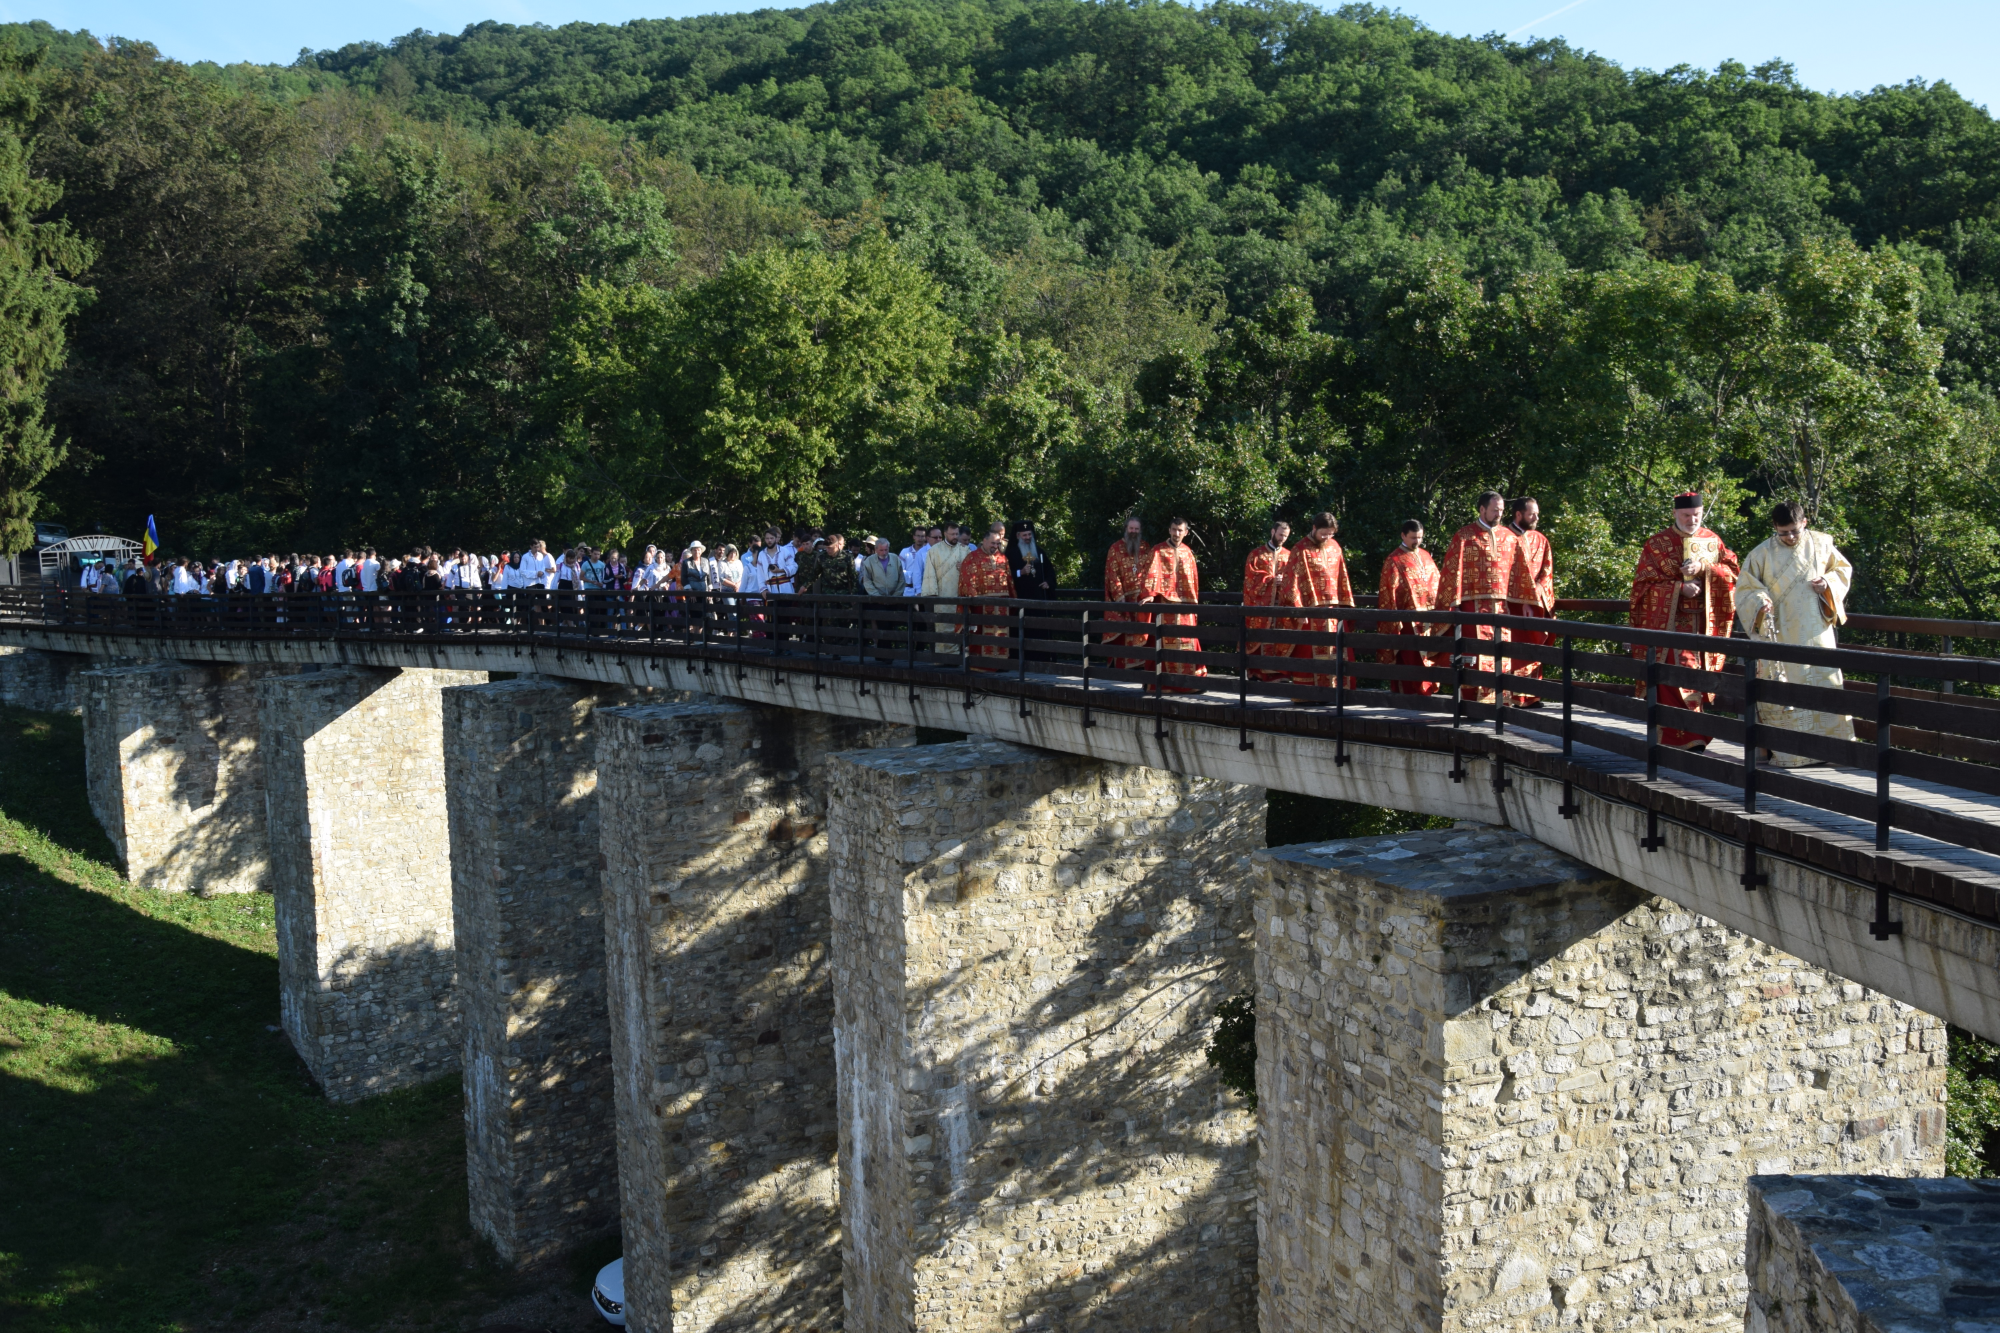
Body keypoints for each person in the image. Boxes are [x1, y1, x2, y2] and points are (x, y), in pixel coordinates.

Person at [1733, 502, 1855, 766]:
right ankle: (1793, 755)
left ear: (1805, 523)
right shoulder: (1760, 553)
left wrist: (1827, 583)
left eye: (1795, 531)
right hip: (1780, 633)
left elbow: (1842, 571)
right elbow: (1745, 589)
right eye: (1783, 532)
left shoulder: (1822, 544)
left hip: (1816, 632)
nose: (1789, 537)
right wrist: (1759, 602)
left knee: (1825, 684)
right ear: (1775, 527)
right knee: (1785, 690)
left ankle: (1834, 752)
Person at [1629, 491, 1740, 751]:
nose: (1692, 520)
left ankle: (1691, 735)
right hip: (1669, 625)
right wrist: (1679, 588)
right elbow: (1642, 587)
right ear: (1675, 514)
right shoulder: (1657, 544)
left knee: (1698, 678)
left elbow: (1733, 572)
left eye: (1696, 515)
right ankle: (1680, 737)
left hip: (1703, 624)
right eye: (1686, 515)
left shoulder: (1712, 540)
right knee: (1674, 678)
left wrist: (1704, 569)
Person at [1437, 490, 1521, 704]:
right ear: (1482, 509)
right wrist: (1454, 604)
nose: (1499, 514)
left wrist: (1525, 602)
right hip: (1472, 606)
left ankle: (1500, 702)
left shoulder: (1509, 537)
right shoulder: (1464, 536)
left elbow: (1521, 572)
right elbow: (1452, 571)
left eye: (1501, 510)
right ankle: (1472, 704)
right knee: (1474, 655)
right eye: (1495, 510)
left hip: (1502, 607)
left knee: (1502, 651)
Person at [1275, 511, 1353, 688]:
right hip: (1310, 612)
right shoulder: (1300, 549)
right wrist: (1298, 609)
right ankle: (1308, 695)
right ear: (1314, 528)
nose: (1327, 537)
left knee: (1337, 651)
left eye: (1331, 534)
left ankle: (1336, 692)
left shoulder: (1335, 547)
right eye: (1323, 533)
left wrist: (1345, 605)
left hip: (1333, 612)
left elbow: (1342, 577)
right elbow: (1291, 581)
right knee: (1307, 653)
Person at [1378, 519, 1439, 696]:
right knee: (1411, 660)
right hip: (1408, 621)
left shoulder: (1426, 556)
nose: (1417, 541)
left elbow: (1437, 583)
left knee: (1430, 659)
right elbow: (1389, 593)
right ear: (1403, 536)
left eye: (1420, 537)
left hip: (1430, 620)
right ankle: (1410, 697)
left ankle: (1427, 696)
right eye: (1413, 538)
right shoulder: (1394, 560)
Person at [1505, 497, 1555, 707]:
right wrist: (1523, 595)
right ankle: (1509, 697)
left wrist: (1535, 593)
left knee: (1533, 648)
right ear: (1519, 514)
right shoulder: (1504, 538)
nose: (1536, 518)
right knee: (1511, 650)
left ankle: (1530, 696)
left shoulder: (1541, 539)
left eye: (1537, 514)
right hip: (1510, 605)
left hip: (1535, 605)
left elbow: (1547, 570)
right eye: (1532, 514)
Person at [1143, 516, 1205, 682]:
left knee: (1188, 640)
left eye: (1180, 530)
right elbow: (1151, 573)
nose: (1176, 533)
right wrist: (1150, 594)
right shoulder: (1158, 550)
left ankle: (1191, 681)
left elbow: (1194, 580)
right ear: (1169, 530)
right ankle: (1165, 682)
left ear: (1186, 532)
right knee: (1165, 642)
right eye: (1174, 530)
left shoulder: (1188, 552)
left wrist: (1194, 603)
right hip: (1166, 605)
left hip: (1186, 606)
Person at [955, 523, 1015, 666]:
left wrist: (1013, 601)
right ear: (984, 541)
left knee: (1000, 634)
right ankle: (980, 664)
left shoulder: (1003, 558)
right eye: (993, 543)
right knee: (980, 636)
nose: (995, 546)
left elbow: (1009, 581)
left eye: (998, 543)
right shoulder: (972, 558)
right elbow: (966, 580)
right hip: (980, 605)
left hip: (1002, 606)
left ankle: (1000, 664)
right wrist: (973, 598)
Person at [1241, 519, 1292, 681]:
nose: (1282, 538)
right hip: (1261, 605)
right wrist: (1271, 580)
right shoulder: (1256, 555)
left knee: (1280, 638)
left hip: (1281, 606)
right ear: (1272, 532)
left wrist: (1285, 581)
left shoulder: (1289, 556)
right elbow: (1250, 579)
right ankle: (1257, 673)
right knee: (1260, 636)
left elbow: (1294, 579)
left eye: (1286, 536)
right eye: (1280, 534)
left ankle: (1279, 674)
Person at [1102, 516, 1152, 671]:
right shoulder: (1115, 548)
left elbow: (1151, 571)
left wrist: (1148, 593)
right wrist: (1120, 597)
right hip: (1124, 599)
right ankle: (1123, 667)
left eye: (1136, 529)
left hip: (1142, 599)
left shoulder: (1145, 547)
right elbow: (1112, 574)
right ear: (1126, 529)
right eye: (1131, 528)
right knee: (1125, 630)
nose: (1134, 532)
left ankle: (1141, 665)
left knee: (1142, 631)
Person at [921, 523, 969, 655]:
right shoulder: (934, 550)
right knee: (941, 626)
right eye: (952, 534)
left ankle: (958, 658)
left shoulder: (965, 550)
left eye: (957, 534)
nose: (955, 536)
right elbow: (929, 574)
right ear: (945, 534)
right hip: (941, 597)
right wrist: (932, 595)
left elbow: (973, 573)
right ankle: (941, 658)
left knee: (959, 627)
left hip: (959, 596)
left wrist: (964, 568)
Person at [1007, 521, 1057, 600]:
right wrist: (1020, 572)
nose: (1028, 537)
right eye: (1024, 535)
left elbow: (1050, 571)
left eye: (1029, 534)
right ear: (1017, 536)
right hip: (1021, 596)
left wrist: (1048, 582)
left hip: (1040, 595)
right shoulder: (1011, 554)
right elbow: (1006, 575)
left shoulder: (1039, 551)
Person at [899, 526, 930, 597]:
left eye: (922, 536)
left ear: (926, 537)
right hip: (908, 589)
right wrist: (914, 576)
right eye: (918, 536)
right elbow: (900, 571)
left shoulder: (928, 553)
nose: (920, 538)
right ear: (914, 537)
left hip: (924, 589)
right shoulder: (905, 552)